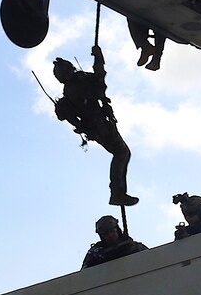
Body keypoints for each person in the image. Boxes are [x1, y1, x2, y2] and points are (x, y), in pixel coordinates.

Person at [53, 46, 138, 206]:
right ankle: (117, 192)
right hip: (100, 125)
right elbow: (99, 88)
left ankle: (118, 192)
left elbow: (98, 83)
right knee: (121, 153)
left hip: (100, 124)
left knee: (122, 153)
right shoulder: (75, 87)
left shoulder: (73, 86)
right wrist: (99, 60)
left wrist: (98, 61)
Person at [81, 215, 148, 269]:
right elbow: (83, 275)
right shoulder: (95, 253)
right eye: (105, 234)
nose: (110, 236)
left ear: (117, 230)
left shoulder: (133, 247)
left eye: (112, 231)